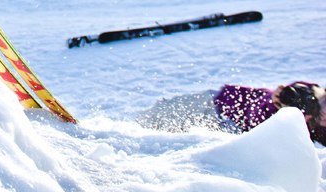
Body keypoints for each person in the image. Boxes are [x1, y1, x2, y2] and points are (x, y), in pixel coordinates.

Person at [138, 81, 326, 145]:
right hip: (213, 105)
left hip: (222, 130)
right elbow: (260, 110)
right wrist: (280, 106)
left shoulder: (315, 129)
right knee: (141, 126)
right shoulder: (306, 93)